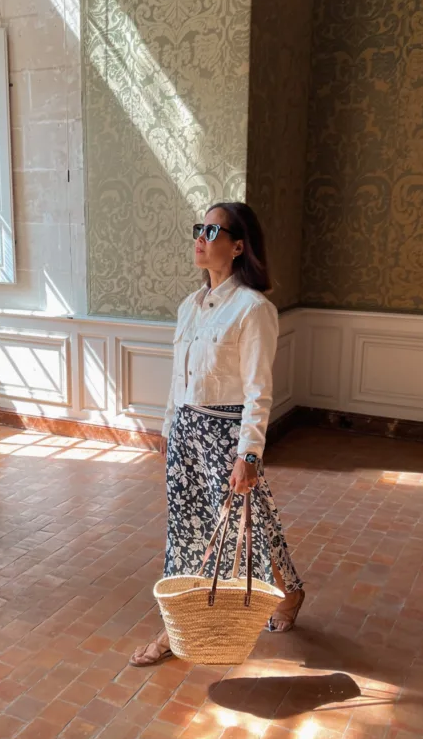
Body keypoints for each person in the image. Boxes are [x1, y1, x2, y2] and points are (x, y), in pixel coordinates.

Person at [130, 202, 305, 667]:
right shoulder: (189, 306)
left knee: (243, 528)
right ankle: (178, 625)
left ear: (238, 245)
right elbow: (178, 377)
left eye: (213, 230)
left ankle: (281, 594)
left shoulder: (253, 309)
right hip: (187, 431)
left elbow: (258, 389)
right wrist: (170, 428)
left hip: (227, 436)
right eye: (198, 228)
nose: (201, 237)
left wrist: (248, 452)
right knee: (187, 527)